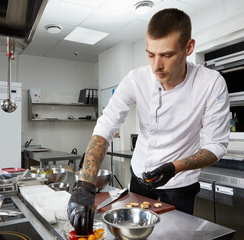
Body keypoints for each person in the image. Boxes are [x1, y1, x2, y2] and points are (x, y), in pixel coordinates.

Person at [67, 8, 230, 235]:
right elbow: (106, 126)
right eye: (150, 54)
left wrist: (175, 167)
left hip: (180, 184)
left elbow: (216, 146)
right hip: (140, 178)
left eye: (167, 55)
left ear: (189, 48)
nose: (156, 66)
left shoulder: (211, 84)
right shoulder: (136, 79)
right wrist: (85, 184)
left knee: (174, 236)